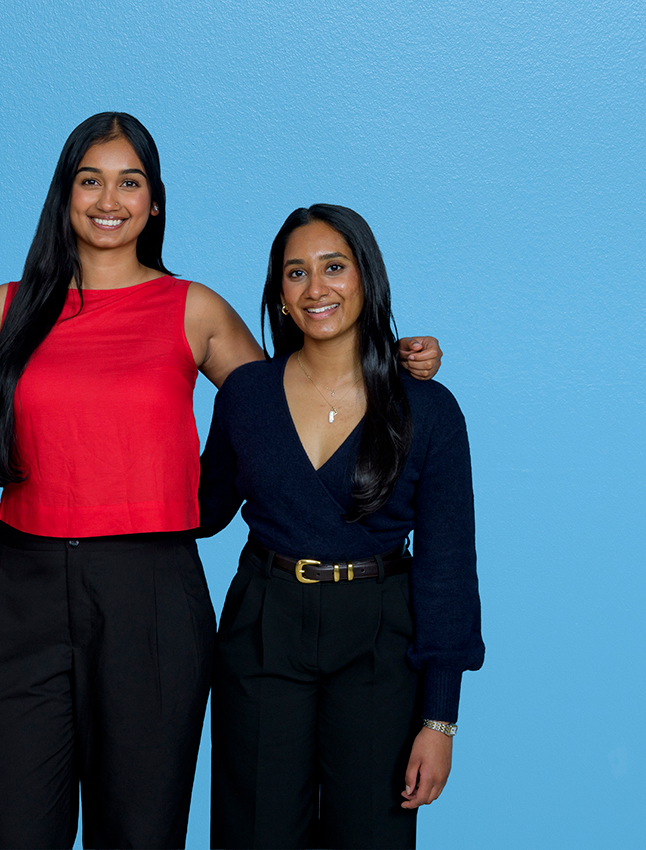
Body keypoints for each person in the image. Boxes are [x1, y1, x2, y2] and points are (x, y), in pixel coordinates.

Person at [0, 114, 443, 849]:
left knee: (142, 832)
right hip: (19, 589)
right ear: (64, 194)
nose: (109, 199)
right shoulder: (4, 311)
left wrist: (392, 360)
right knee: (17, 831)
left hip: (150, 591)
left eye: (131, 182)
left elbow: (303, 395)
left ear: (155, 202)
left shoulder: (195, 311)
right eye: (90, 180)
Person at [197, 204, 483, 849]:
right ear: (279, 294)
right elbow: (202, 510)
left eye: (334, 267)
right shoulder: (245, 395)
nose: (316, 287)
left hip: (381, 639)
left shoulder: (427, 408)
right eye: (295, 273)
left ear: (366, 278)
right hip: (263, 627)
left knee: (370, 834)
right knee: (254, 834)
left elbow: (447, 568)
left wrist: (440, 720)